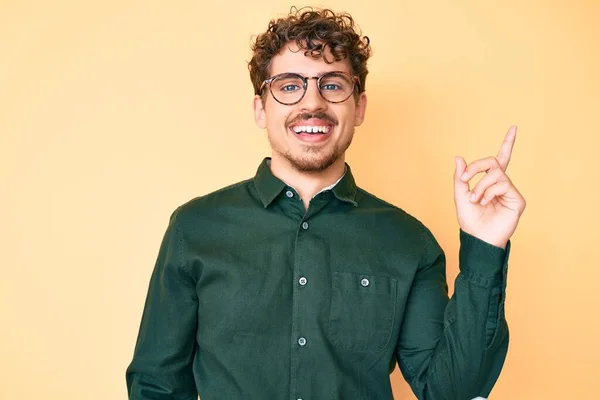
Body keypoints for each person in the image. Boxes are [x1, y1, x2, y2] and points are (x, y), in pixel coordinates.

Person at [125, 6, 526, 400]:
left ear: (360, 107)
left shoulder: (408, 241)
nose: (312, 103)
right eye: (288, 85)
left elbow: (451, 392)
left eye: (332, 84)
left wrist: (484, 248)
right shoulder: (195, 227)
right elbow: (157, 385)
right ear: (260, 109)